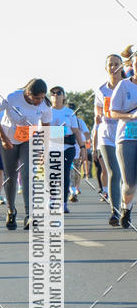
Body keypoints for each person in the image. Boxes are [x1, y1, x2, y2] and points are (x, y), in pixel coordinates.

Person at [0, 79, 52, 231]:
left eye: (42, 98)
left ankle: (29, 215)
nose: (39, 102)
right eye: (36, 98)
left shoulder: (45, 105)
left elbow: (46, 127)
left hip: (29, 139)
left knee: (27, 175)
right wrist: (3, 137)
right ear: (27, 93)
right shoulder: (12, 97)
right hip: (8, 138)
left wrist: (45, 149)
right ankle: (11, 210)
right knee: (10, 176)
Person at [95, 54, 123, 225]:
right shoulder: (100, 90)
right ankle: (115, 211)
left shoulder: (129, 86)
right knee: (114, 172)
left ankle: (126, 206)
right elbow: (98, 112)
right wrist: (98, 117)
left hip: (126, 133)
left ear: (122, 67)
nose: (113, 67)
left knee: (127, 176)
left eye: (116, 64)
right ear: (106, 68)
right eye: (110, 65)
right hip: (107, 134)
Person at [110, 47, 137, 228]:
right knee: (129, 182)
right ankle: (126, 207)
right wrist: (131, 117)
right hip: (126, 136)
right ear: (132, 66)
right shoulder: (124, 85)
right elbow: (112, 112)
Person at [48, 86, 86, 214]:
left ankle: (63, 203)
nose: (56, 95)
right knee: (52, 174)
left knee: (64, 174)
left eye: (59, 93)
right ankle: (52, 199)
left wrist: (83, 147)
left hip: (68, 147)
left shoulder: (69, 113)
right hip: (52, 146)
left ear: (63, 96)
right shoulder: (46, 111)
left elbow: (76, 131)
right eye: (53, 93)